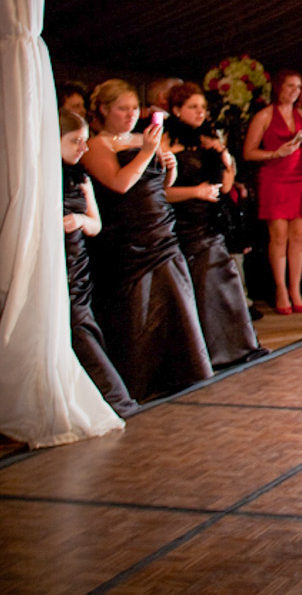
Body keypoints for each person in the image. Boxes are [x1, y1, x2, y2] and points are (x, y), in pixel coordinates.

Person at [81, 79, 213, 400]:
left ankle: (183, 370)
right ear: (103, 110)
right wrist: (148, 153)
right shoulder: (97, 144)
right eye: (121, 109)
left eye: (132, 109)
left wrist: (169, 165)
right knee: (138, 305)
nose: (129, 116)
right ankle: (141, 377)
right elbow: (119, 184)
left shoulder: (141, 137)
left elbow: (161, 185)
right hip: (128, 233)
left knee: (175, 298)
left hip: (160, 226)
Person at [163, 84, 266, 367]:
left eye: (203, 108)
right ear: (176, 110)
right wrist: (195, 192)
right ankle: (201, 353)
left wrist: (226, 160)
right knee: (197, 283)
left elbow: (225, 187)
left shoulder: (209, 138)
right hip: (181, 221)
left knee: (220, 278)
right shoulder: (165, 140)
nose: (200, 112)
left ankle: (234, 346)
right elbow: (159, 191)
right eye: (193, 107)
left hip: (210, 221)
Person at [59, 110, 139, 418]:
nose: (83, 148)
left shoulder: (81, 179)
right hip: (53, 264)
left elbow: (96, 224)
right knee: (77, 326)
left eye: (84, 140)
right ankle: (111, 395)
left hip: (77, 263)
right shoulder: (38, 177)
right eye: (75, 141)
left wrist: (79, 219)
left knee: (82, 322)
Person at [243, 69, 302, 314]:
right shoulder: (264, 115)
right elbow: (248, 152)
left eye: (298, 87)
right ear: (278, 88)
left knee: (298, 237)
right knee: (279, 236)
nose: (294, 91)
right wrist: (276, 153)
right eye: (290, 86)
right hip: (274, 178)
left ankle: (295, 288)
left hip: (300, 178)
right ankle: (280, 289)